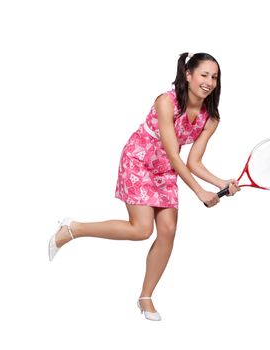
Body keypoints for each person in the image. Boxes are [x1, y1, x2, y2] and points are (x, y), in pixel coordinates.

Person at [48, 52, 240, 321]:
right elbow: (174, 153)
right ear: (188, 75)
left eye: (215, 77)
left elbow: (194, 161)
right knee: (141, 229)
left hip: (166, 170)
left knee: (168, 230)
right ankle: (73, 228)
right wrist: (199, 192)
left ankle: (146, 296)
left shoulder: (211, 118)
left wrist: (222, 183)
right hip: (139, 159)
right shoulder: (166, 102)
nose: (209, 81)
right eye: (204, 75)